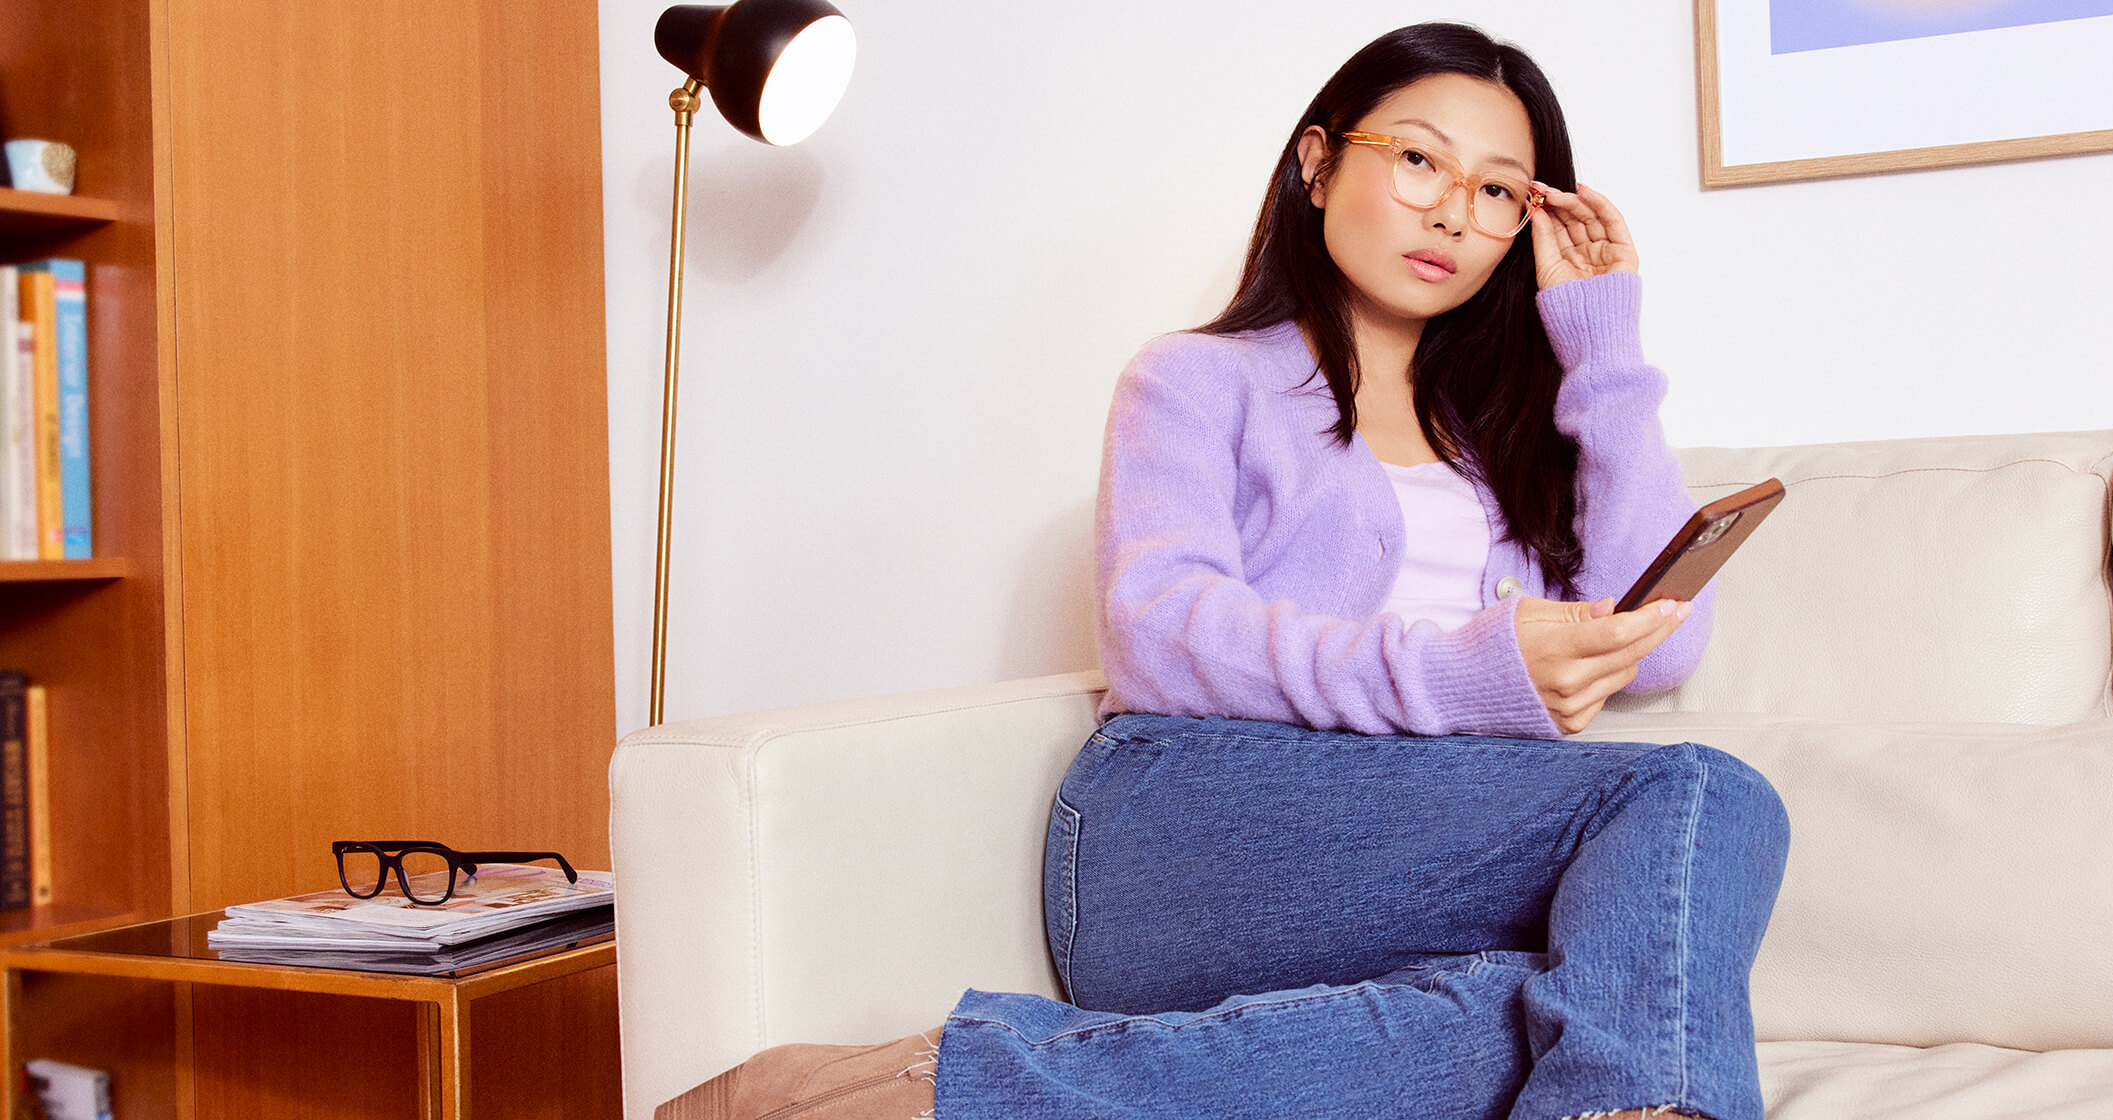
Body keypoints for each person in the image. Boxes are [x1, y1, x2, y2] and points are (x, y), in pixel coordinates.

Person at [660, 21, 1790, 1120]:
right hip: (1175, 829)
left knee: (1521, 1016)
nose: (1453, 208)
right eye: (1416, 159)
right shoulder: (1198, 380)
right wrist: (1467, 673)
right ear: (1315, 161)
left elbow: (1668, 639)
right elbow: (1160, 624)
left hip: (1401, 872)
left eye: (1498, 189)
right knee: (1697, 786)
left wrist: (1600, 343)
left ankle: (932, 1091)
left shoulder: (1505, 442)